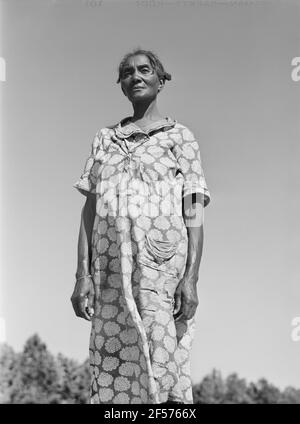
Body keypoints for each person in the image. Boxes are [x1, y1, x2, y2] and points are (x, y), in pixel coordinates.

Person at [71, 48, 211, 404]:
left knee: (163, 358)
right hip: (110, 270)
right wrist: (81, 276)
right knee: (113, 359)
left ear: (161, 80)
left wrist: (191, 278)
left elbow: (193, 209)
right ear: (121, 85)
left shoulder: (180, 137)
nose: (135, 76)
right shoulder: (105, 140)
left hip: (161, 267)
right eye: (127, 72)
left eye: (144, 70)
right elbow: (90, 210)